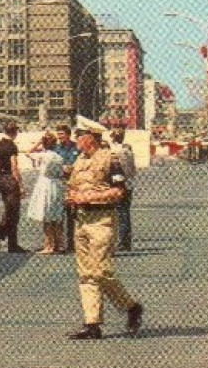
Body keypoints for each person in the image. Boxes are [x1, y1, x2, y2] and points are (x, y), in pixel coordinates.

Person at [63, 126, 143, 340]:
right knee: (85, 273)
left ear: (91, 138)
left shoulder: (110, 158)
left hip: (102, 219)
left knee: (101, 272)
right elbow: (71, 186)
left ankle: (130, 306)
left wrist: (87, 198)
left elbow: (119, 192)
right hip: (80, 221)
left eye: (80, 136)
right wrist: (71, 196)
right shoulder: (79, 160)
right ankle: (92, 324)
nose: (76, 139)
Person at [25, 130, 68, 255]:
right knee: (56, 216)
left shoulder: (44, 156)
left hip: (45, 185)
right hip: (56, 185)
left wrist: (38, 143)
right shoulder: (59, 157)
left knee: (46, 216)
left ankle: (49, 244)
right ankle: (59, 243)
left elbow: (28, 153)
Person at [0, 120, 27, 252]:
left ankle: (0, 238)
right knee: (13, 212)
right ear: (14, 132)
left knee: (8, 210)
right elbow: (14, 167)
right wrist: (20, 185)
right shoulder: (11, 146)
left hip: (1, 178)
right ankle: (10, 242)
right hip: (10, 179)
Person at [109, 125, 138, 252]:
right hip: (129, 183)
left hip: (120, 183)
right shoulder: (128, 151)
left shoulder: (117, 152)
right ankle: (126, 240)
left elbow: (120, 170)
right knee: (125, 212)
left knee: (120, 213)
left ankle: (122, 240)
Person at [53, 124, 80, 253]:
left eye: (62, 134)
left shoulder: (76, 148)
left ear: (68, 134)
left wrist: (69, 167)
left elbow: (77, 164)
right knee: (58, 215)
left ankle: (72, 243)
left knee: (72, 215)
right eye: (58, 135)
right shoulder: (56, 149)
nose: (60, 137)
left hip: (73, 184)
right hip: (59, 183)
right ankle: (59, 243)